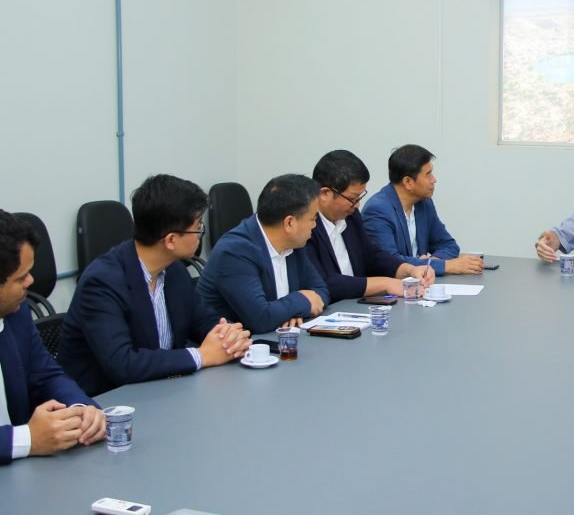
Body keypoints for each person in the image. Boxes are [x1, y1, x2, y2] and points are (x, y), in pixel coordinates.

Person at [58, 175, 252, 396]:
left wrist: (229, 336)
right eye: (198, 227)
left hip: (163, 391)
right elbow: (123, 364)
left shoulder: (174, 271)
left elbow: (205, 321)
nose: (200, 234)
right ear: (170, 240)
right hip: (106, 402)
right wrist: (202, 355)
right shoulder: (102, 282)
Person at [0, 210, 105, 463]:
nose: (31, 281)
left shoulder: (15, 312)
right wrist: (28, 439)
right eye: (21, 277)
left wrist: (80, 409)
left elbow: (45, 375)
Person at [197, 174, 330, 333]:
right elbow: (261, 318)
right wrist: (301, 302)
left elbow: (321, 290)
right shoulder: (235, 251)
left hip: (278, 338)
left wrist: (293, 311)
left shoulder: (294, 243)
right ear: (289, 223)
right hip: (239, 344)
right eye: (313, 218)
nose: (315, 225)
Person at [307, 150, 435, 303]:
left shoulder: (350, 217)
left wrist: (409, 269)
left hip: (356, 305)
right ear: (325, 194)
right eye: (353, 198)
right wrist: (386, 284)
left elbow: (372, 256)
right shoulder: (307, 228)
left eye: (360, 197)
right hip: (328, 310)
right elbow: (325, 282)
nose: (357, 205)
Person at [363, 144, 483, 276]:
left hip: (421, 283)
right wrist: (445, 266)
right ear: (408, 182)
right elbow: (390, 262)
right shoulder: (377, 210)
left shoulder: (424, 203)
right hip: (391, 286)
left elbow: (448, 245)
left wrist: (431, 263)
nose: (434, 180)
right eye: (428, 174)